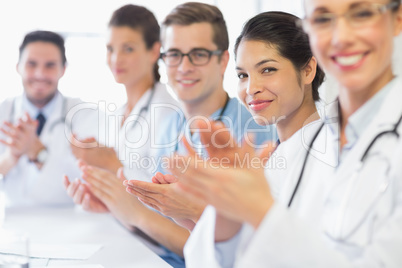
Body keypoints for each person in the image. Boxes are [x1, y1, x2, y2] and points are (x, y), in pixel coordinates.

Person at [167, 1, 402, 267]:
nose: (341, 36)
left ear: (397, 18)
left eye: (361, 14)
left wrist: (258, 210)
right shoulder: (294, 152)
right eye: (323, 19)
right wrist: (226, 210)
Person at [65, 3, 275, 268]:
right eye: (174, 54)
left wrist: (137, 214)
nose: (184, 67)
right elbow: (162, 221)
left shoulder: (253, 133)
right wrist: (115, 205)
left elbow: (242, 252)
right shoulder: (172, 125)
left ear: (223, 61)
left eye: (198, 54)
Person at [0, 30, 99, 207]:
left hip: (67, 223)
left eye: (50, 65)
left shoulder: (84, 115)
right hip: (11, 224)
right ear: (18, 67)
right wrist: (10, 158)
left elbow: (89, 181)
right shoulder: (3, 112)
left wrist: (39, 153)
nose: (40, 74)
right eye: (31, 64)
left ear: (63, 70)